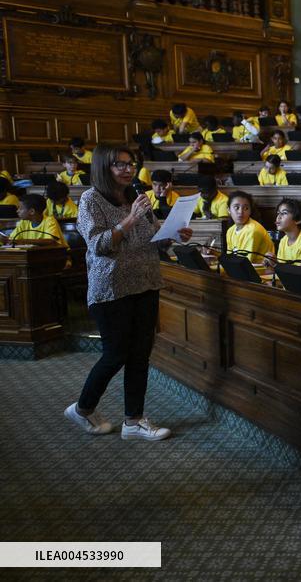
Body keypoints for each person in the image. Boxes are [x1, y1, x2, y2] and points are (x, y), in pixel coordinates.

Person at [65, 144, 192, 440]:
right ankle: (82, 409)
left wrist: (174, 235)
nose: (127, 169)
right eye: (119, 165)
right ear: (102, 168)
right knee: (115, 355)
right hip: (111, 289)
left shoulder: (137, 198)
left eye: (130, 164)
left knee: (139, 355)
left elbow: (154, 239)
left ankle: (134, 420)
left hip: (146, 283)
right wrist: (130, 219)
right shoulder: (90, 200)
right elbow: (98, 244)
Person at [226, 190, 275, 258]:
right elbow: (230, 257)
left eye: (246, 208)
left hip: (259, 268)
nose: (240, 212)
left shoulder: (253, 230)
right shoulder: (230, 231)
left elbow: (246, 262)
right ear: (228, 210)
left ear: (250, 211)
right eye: (236, 207)